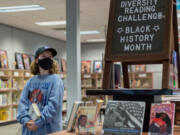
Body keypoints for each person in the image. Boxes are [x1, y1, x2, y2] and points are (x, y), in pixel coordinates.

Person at [17, 46, 64, 135]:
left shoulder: (56, 80)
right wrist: (25, 120)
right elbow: (22, 103)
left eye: (50, 57)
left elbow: (53, 107)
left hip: (48, 130)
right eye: (43, 56)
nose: (47, 59)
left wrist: (38, 123)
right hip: (29, 130)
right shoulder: (30, 81)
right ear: (37, 60)